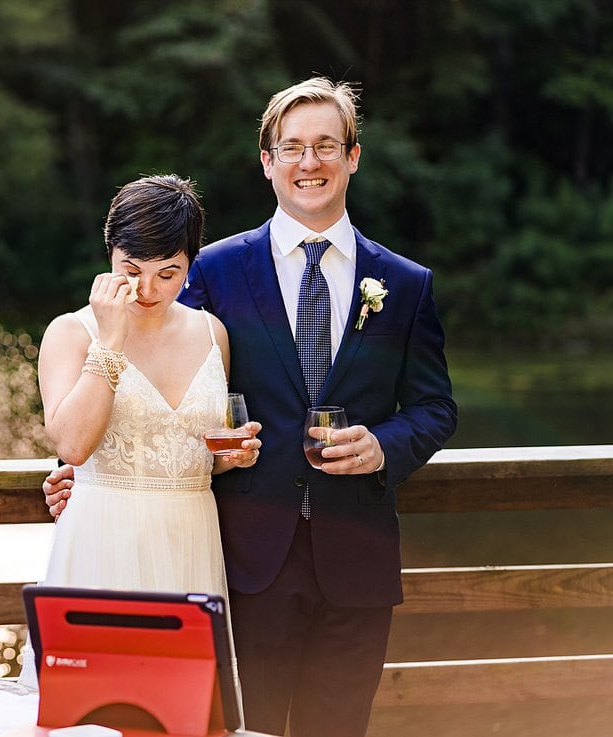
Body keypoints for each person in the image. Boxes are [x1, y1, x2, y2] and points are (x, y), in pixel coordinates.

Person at [45, 79, 457, 737]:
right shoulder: (209, 267)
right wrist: (84, 474)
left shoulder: (405, 284)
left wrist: (385, 443)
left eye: (326, 145)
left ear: (353, 156)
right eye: (291, 147)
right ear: (267, 161)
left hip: (357, 562)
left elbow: (436, 407)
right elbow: (141, 360)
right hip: (244, 566)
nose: (309, 162)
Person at [19, 175, 260, 689]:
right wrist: (110, 339)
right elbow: (73, 444)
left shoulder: (211, 332)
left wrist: (229, 456)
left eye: (169, 273)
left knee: (187, 704)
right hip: (103, 535)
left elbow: (192, 448)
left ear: (191, 266)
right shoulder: (70, 332)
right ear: (110, 255)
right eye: (132, 270)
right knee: (94, 704)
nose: (147, 290)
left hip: (191, 536)